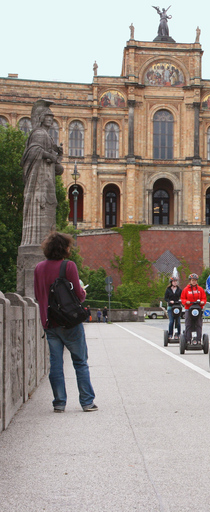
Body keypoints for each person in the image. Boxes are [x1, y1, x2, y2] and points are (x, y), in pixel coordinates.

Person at [33, 232, 97, 413]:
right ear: (64, 248)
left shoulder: (38, 268)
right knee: (80, 362)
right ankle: (87, 402)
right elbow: (79, 295)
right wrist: (83, 291)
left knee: (56, 364)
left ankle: (59, 403)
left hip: (49, 322)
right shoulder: (68, 266)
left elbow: (38, 296)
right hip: (70, 323)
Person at [21, 99, 64, 247]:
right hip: (39, 181)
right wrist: (50, 156)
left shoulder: (49, 137)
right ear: (40, 118)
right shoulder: (39, 134)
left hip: (47, 179)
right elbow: (33, 152)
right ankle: (38, 243)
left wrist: (57, 157)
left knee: (49, 206)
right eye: (47, 116)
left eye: (52, 117)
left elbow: (56, 166)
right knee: (41, 206)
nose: (51, 119)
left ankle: (47, 244)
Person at [181, 273, 207, 342]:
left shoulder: (200, 289)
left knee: (198, 324)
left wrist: (202, 302)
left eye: (195, 280)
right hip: (188, 309)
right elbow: (182, 299)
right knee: (188, 324)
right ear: (190, 281)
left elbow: (204, 298)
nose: (194, 282)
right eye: (192, 280)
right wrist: (186, 301)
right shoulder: (186, 289)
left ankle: (198, 340)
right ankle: (188, 340)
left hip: (198, 309)